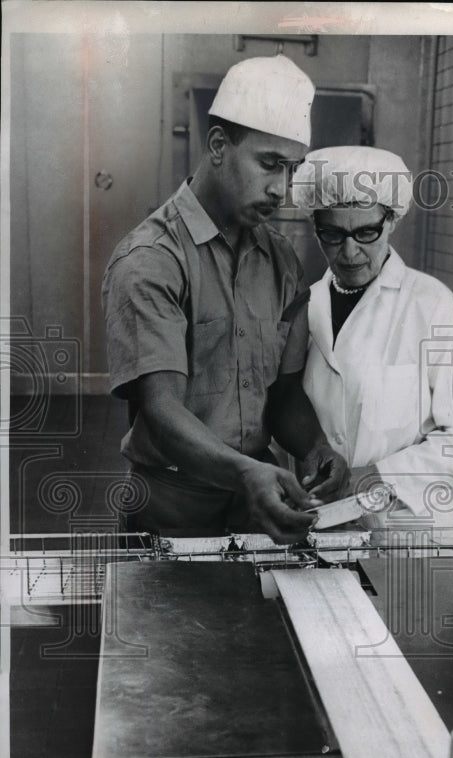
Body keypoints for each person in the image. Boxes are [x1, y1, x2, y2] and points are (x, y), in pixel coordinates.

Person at [103, 55, 347, 543]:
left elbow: (281, 392)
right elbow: (162, 408)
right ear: (218, 145)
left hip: (257, 496)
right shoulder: (153, 259)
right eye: (269, 164)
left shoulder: (279, 260)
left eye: (292, 169)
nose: (282, 189)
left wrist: (315, 446)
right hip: (172, 504)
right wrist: (244, 473)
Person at [291, 146, 453, 536]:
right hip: (331, 528)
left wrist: (378, 476)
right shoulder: (308, 306)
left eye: (365, 232)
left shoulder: (431, 303)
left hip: (421, 531)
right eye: (333, 234)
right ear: (316, 226)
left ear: (390, 221)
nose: (350, 251)